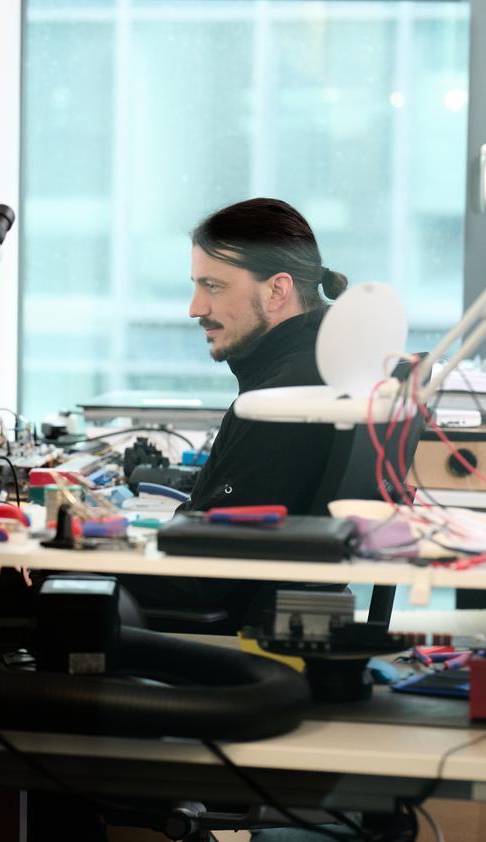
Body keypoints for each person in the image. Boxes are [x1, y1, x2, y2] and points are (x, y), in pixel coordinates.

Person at [121, 197, 349, 623]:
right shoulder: (326, 362)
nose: (195, 308)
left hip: (221, 632)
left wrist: (73, 562)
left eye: (214, 286)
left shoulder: (280, 403)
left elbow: (200, 578)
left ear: (277, 290)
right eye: (195, 285)